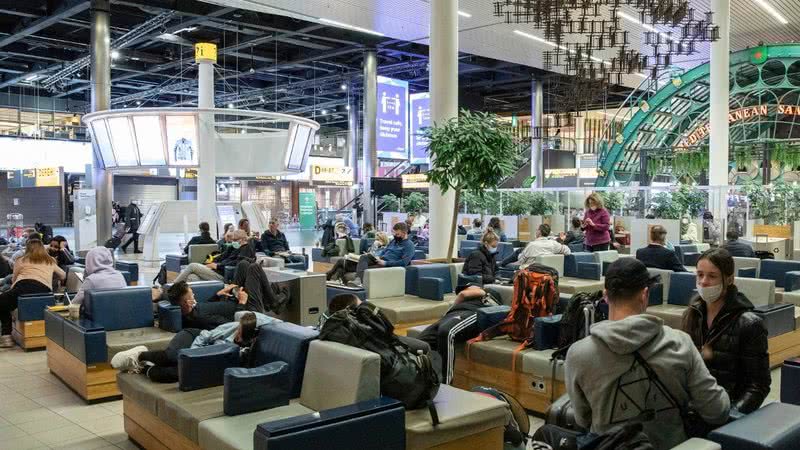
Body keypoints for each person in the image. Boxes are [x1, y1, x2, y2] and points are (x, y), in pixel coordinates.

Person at [537, 258, 730, 449]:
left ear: (605, 295)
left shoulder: (578, 354)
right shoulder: (681, 343)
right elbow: (717, 410)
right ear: (645, 294)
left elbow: (583, 419)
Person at [681, 248, 770, 414]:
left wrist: (731, 415)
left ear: (729, 279)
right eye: (700, 275)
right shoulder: (692, 314)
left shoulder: (749, 324)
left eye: (712, 276)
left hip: (728, 408)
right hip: (694, 408)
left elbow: (758, 386)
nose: (704, 282)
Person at [112, 311, 279, 383]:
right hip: (193, 337)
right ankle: (140, 355)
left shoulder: (244, 350)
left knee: (167, 374)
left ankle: (144, 368)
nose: (237, 333)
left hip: (201, 357)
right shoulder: (234, 326)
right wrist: (192, 355)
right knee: (173, 357)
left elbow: (278, 324)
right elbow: (204, 336)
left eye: (241, 333)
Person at [418, 284, 500, 383]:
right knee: (420, 341)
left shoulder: (485, 291)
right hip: (453, 315)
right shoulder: (467, 298)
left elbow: (463, 294)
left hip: (475, 312)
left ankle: (446, 383)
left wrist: (451, 308)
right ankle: (420, 381)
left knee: (447, 332)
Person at [0, 239, 65, 347]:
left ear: (27, 248)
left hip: (23, 287)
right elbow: (63, 275)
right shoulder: (50, 260)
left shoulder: (21, 260)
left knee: (2, 303)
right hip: (45, 291)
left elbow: (14, 279)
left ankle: (6, 336)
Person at [349, 222, 415, 287]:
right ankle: (358, 280)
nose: (395, 235)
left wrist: (386, 263)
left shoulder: (409, 245)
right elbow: (385, 251)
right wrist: (378, 257)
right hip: (380, 260)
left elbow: (404, 263)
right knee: (364, 257)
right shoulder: (394, 241)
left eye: (397, 234)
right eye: (394, 233)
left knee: (364, 268)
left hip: (388, 265)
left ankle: (359, 281)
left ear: (404, 233)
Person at [174, 230, 255, 283]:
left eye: (235, 240)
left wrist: (217, 266)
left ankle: (172, 287)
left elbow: (238, 264)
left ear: (242, 239)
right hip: (215, 271)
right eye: (232, 240)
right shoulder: (232, 247)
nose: (232, 242)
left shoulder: (246, 249)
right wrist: (210, 262)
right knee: (191, 277)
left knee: (192, 266)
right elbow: (221, 256)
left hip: (223, 274)